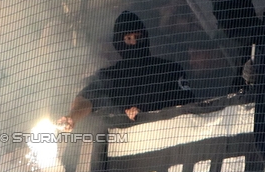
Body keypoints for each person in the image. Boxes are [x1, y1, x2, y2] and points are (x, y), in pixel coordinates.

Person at [58, 11, 194, 130]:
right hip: (128, 150)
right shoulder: (111, 76)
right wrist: (72, 117)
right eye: (128, 38)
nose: (134, 43)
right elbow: (86, 99)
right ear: (119, 42)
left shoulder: (169, 70)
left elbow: (188, 106)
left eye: (138, 37)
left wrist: (145, 114)